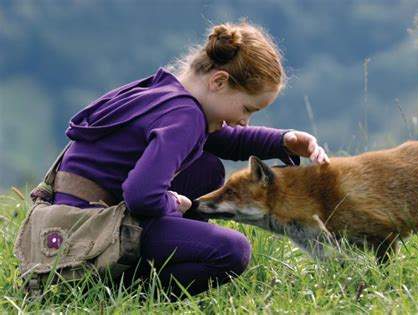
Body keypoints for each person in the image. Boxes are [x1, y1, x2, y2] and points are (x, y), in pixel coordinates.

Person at [53, 21, 329, 299]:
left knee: (204, 168)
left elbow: (223, 140)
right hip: (90, 234)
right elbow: (140, 195)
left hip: (67, 223)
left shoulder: (166, 93)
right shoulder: (185, 116)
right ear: (218, 81)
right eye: (247, 109)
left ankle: (145, 264)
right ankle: (123, 293)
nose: (244, 122)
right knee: (232, 251)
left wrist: (285, 140)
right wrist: (174, 204)